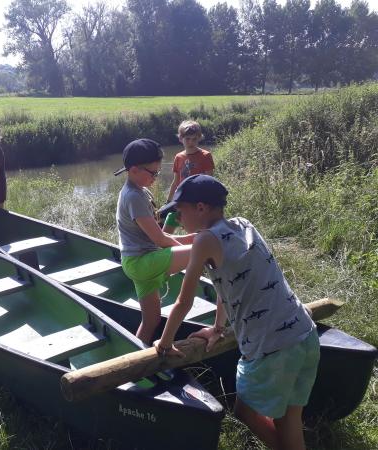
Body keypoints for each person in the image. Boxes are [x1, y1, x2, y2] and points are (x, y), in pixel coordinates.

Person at [155, 174, 319, 450]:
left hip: (271, 347)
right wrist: (217, 328)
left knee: (244, 411)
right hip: (304, 333)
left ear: (201, 208)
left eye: (179, 211)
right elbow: (228, 284)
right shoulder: (243, 225)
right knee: (289, 418)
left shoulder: (205, 241)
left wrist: (165, 342)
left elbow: (184, 301)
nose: (178, 219)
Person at [114, 138, 196, 345]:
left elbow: (157, 235)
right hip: (142, 262)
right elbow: (159, 239)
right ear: (133, 170)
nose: (156, 177)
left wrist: (188, 238)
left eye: (158, 172)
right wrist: (194, 248)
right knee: (201, 251)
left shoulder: (140, 191)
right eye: (153, 173)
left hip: (136, 260)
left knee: (151, 320)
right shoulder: (133, 196)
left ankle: (132, 359)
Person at [162, 120, 214, 234]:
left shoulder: (205, 156)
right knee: (167, 221)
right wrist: (168, 201)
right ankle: (163, 248)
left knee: (195, 231)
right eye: (187, 139)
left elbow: (210, 182)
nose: (191, 142)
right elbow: (176, 181)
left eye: (194, 139)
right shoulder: (178, 157)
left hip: (198, 201)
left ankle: (198, 250)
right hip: (181, 199)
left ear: (199, 138)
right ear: (181, 139)